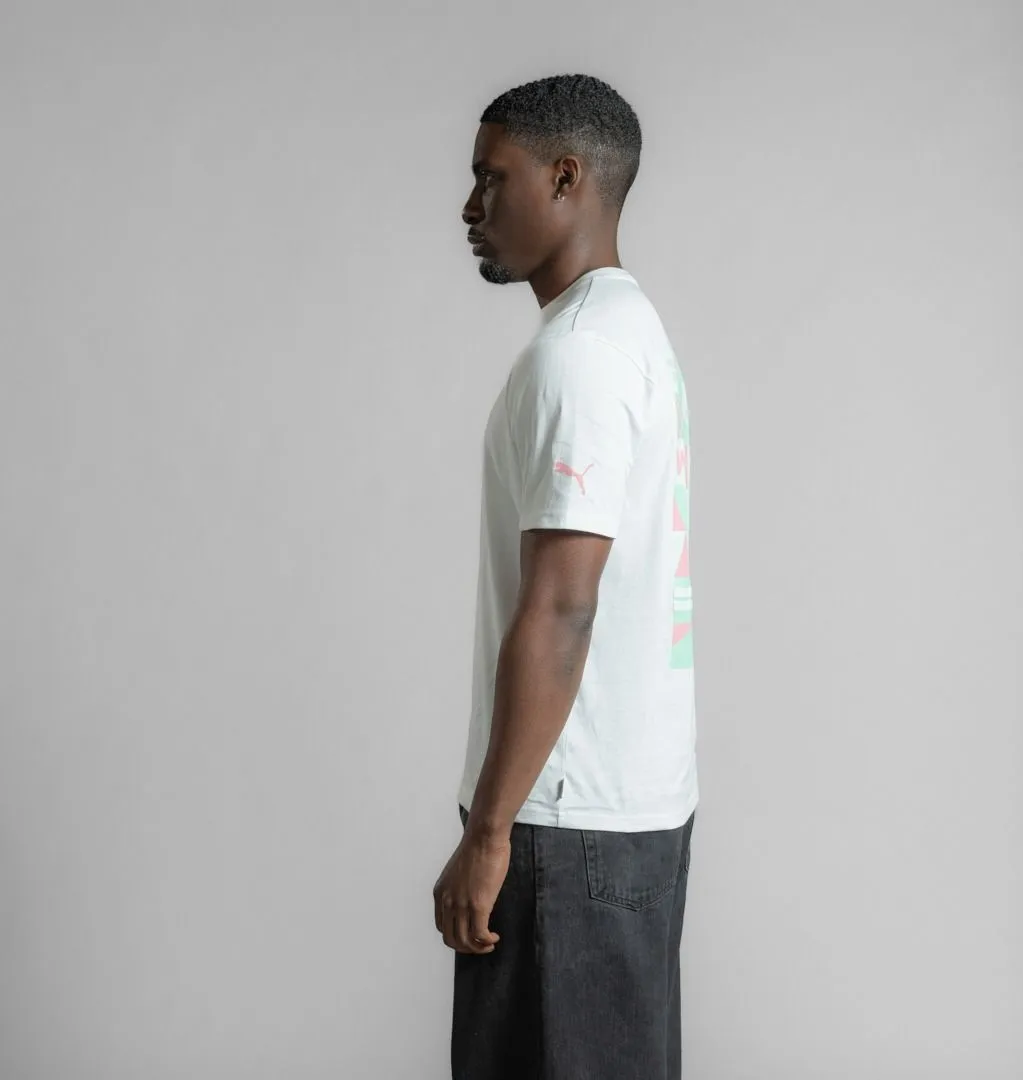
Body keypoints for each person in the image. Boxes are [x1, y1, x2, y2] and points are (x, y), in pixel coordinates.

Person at [432, 73, 698, 1080]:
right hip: (622, 806)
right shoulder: (628, 331)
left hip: (565, 822)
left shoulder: (579, 358)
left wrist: (489, 831)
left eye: (490, 178)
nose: (470, 207)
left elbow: (562, 607)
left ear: (566, 177)